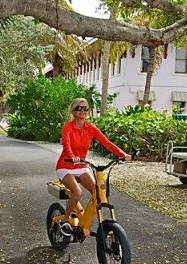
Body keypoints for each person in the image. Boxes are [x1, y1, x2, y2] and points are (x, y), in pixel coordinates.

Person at [56, 98, 131, 236]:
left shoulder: (91, 129)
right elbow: (67, 145)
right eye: (79, 108)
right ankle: (65, 220)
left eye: (85, 108)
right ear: (73, 111)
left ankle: (101, 225)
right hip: (65, 165)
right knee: (77, 193)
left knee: (98, 194)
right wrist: (72, 156)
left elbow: (106, 143)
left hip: (82, 166)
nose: (83, 111)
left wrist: (122, 154)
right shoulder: (68, 127)